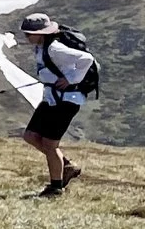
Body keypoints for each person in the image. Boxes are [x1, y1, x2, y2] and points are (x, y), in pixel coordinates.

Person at [17, 11, 94, 196]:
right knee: (31, 136)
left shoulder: (54, 48)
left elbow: (86, 59)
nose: (27, 37)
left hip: (65, 100)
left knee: (50, 145)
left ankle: (56, 187)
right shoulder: (43, 47)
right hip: (52, 98)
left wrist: (71, 79)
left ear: (41, 34)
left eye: (29, 34)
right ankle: (66, 165)